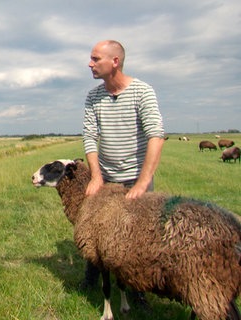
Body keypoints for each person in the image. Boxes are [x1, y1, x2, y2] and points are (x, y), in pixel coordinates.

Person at [81, 40, 165, 291]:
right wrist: (96, 176)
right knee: (97, 229)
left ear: (114, 62)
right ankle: (91, 279)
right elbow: (89, 136)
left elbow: (156, 135)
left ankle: (138, 292)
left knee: (137, 239)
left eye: (96, 59)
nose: (90, 63)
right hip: (107, 178)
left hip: (135, 178)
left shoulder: (142, 92)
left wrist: (142, 182)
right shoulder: (93, 96)